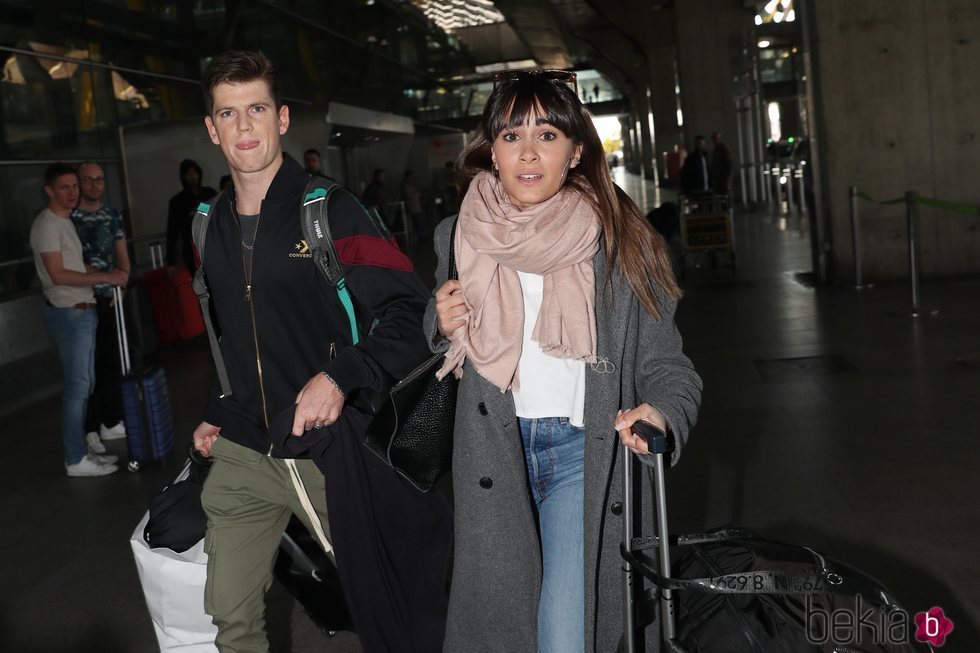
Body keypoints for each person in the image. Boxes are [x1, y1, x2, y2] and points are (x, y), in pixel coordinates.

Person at [427, 69, 702, 652]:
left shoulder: (622, 240)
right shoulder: (458, 236)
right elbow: (444, 346)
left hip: (584, 455)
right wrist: (439, 321)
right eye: (511, 136)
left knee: (566, 637)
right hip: (494, 459)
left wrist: (663, 411)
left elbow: (670, 366)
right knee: (508, 630)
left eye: (548, 136)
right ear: (491, 151)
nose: (528, 153)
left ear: (576, 152)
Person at [193, 50, 448, 652]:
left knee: (393, 600)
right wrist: (217, 406)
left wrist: (339, 377)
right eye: (228, 114)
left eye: (256, 108)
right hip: (243, 453)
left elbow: (413, 314)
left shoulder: (329, 210)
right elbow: (232, 330)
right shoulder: (208, 224)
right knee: (230, 617)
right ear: (212, 129)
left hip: (325, 447)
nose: (244, 126)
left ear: (282, 119)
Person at [30, 163, 127, 477]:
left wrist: (108, 277)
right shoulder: (47, 225)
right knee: (77, 388)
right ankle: (75, 459)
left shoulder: (63, 222)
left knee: (86, 383)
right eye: (65, 187)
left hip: (82, 311)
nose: (72, 192)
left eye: (75, 186)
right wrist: (106, 276)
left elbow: (78, 265)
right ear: (49, 190)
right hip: (70, 313)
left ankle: (82, 453)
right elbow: (58, 274)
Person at [70, 161, 130, 458]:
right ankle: (91, 427)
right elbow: (67, 263)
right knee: (86, 371)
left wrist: (121, 283)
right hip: (81, 301)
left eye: (99, 179)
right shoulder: (70, 218)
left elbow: (122, 255)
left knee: (110, 364)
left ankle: (110, 420)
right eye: (87, 180)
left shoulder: (111, 215)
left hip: (109, 300)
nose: (94, 185)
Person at [166, 159, 217, 274]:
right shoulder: (177, 201)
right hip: (191, 250)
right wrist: (171, 261)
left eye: (194, 172)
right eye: (188, 174)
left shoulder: (209, 193)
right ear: (183, 177)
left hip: (213, 245)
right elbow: (172, 231)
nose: (192, 176)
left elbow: (219, 217)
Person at [400, 169, 425, 241]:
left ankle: (419, 236)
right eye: (411, 177)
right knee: (415, 223)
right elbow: (407, 196)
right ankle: (416, 237)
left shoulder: (412, 186)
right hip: (412, 207)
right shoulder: (404, 187)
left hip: (416, 206)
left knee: (418, 222)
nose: (412, 179)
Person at [710, 130, 733, 195]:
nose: (714, 140)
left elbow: (729, 165)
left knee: (724, 196)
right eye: (713, 139)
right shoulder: (715, 150)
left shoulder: (724, 150)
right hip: (718, 179)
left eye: (716, 138)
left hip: (723, 179)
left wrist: (726, 179)